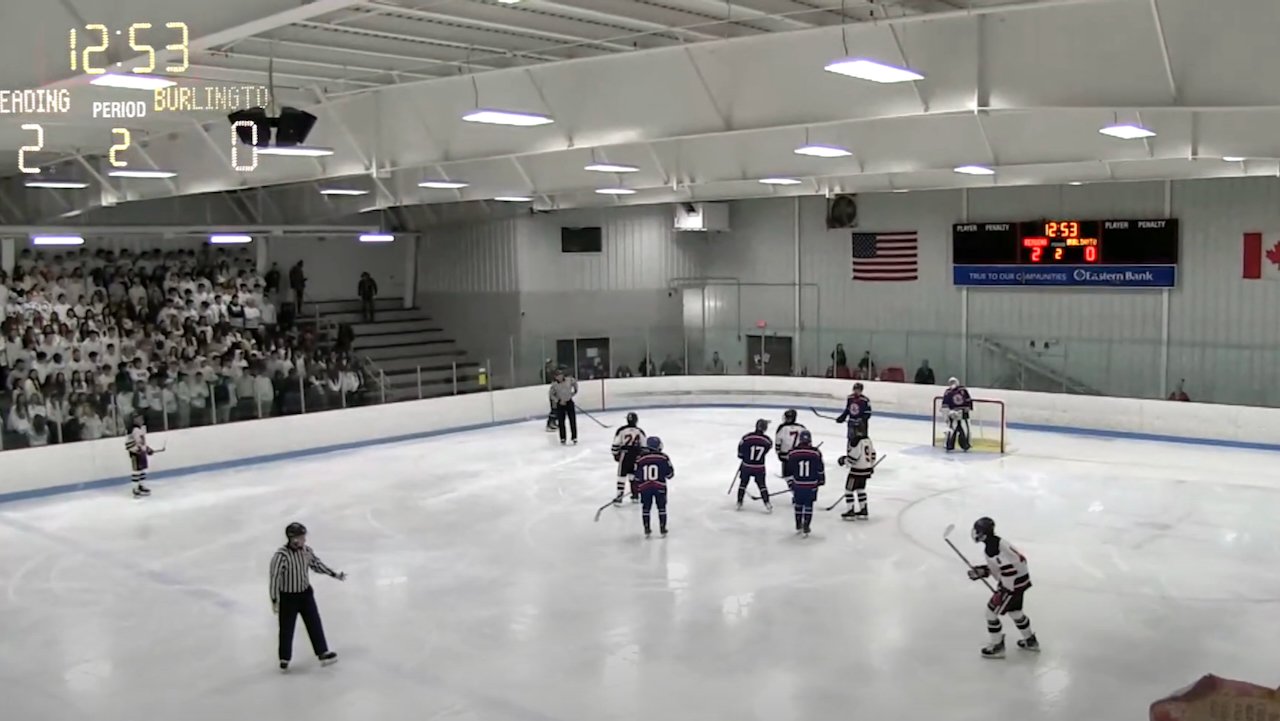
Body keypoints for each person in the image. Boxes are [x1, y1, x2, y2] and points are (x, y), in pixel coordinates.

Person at [268, 522, 345, 671]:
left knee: (314, 622)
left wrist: (334, 574)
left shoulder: (306, 551)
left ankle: (322, 651)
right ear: (293, 538)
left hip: (305, 595)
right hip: (288, 598)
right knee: (286, 628)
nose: (304, 540)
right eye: (302, 537)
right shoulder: (281, 556)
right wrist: (274, 599)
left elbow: (317, 565)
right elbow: (275, 578)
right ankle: (284, 658)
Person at [968, 517, 1038, 658]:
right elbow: (1004, 566)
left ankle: (997, 646)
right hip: (1020, 582)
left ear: (983, 534)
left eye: (978, 531)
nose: (976, 534)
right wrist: (984, 571)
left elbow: (1008, 570)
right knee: (1015, 612)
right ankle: (1030, 640)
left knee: (991, 613)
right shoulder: (997, 542)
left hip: (1011, 586)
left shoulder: (992, 549)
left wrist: (1004, 590)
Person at [782, 430, 824, 536]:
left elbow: (789, 469)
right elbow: (820, 469)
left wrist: (791, 482)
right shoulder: (816, 453)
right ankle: (806, 525)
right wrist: (821, 480)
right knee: (809, 505)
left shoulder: (793, 452)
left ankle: (798, 524)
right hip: (811, 484)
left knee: (798, 504)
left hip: (798, 484)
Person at [634, 436, 673, 537]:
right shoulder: (663, 457)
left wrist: (639, 485)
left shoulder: (640, 458)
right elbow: (670, 474)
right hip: (660, 487)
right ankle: (662, 528)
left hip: (644, 487)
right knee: (662, 508)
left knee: (646, 508)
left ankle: (647, 528)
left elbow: (637, 476)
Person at [837, 423, 876, 520]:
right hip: (866, 470)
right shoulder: (868, 440)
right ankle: (864, 510)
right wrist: (870, 465)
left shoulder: (856, 441)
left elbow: (853, 458)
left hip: (856, 471)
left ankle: (850, 511)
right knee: (860, 489)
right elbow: (873, 454)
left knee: (848, 490)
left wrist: (843, 460)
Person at [735, 418, 772, 512]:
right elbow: (766, 450)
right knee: (762, 485)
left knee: (743, 483)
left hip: (747, 465)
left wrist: (743, 456)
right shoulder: (768, 440)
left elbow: (740, 451)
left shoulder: (746, 437)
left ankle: (739, 502)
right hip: (759, 467)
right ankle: (767, 503)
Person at [610, 411, 646, 505]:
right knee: (633, 476)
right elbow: (645, 446)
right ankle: (635, 495)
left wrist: (615, 454)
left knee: (621, 476)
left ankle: (619, 496)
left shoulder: (621, 430)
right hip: (635, 455)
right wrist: (642, 457)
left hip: (624, 455)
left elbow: (615, 444)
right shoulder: (640, 431)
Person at [124, 412, 153, 497]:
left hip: (141, 453)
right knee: (136, 471)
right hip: (135, 454)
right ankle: (135, 489)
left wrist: (147, 449)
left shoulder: (142, 428)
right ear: (134, 420)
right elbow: (128, 444)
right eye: (139, 418)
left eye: (141, 418)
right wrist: (137, 449)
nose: (141, 419)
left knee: (142, 470)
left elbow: (141, 442)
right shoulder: (131, 430)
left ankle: (141, 486)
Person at [941, 376, 973, 452]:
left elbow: (968, 400)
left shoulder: (963, 390)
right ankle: (949, 445)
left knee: (965, 429)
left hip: (963, 413)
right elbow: (945, 405)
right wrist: (948, 414)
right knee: (951, 429)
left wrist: (967, 408)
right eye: (951, 383)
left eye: (954, 382)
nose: (952, 384)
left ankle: (966, 444)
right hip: (953, 413)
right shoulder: (947, 392)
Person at [548, 368, 578, 444]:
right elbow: (551, 395)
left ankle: (574, 437)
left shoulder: (569, 380)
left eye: (561, 375)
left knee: (572, 421)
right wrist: (558, 400)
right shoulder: (554, 385)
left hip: (569, 402)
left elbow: (575, 384)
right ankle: (563, 438)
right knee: (561, 422)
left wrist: (573, 393)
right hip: (560, 404)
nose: (560, 377)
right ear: (555, 377)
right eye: (558, 376)